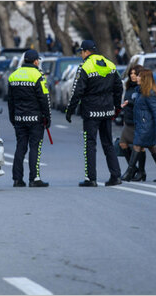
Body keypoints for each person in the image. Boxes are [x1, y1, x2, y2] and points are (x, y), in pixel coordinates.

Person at [65, 40, 123, 187]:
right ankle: (115, 176)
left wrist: (70, 111)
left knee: (90, 144)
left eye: (81, 52)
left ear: (86, 52)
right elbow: (119, 87)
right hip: (107, 110)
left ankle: (91, 178)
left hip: (91, 111)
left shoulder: (85, 67)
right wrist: (116, 107)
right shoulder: (109, 64)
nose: (81, 55)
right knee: (108, 143)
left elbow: (77, 91)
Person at [8, 49, 51, 187]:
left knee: (20, 147)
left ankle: (17, 179)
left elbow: (10, 101)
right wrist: (47, 117)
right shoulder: (38, 75)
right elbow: (44, 98)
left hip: (19, 118)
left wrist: (13, 118)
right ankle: (34, 178)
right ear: (35, 61)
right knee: (35, 148)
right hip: (34, 119)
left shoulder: (13, 76)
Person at [122, 69, 156, 182]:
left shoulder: (150, 93)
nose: (137, 78)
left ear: (145, 79)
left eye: (139, 76)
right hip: (141, 125)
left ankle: (129, 172)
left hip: (147, 126)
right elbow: (142, 106)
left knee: (137, 145)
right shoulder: (141, 92)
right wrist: (130, 103)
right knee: (152, 148)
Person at [119, 64, 146, 181]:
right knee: (122, 144)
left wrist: (129, 102)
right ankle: (133, 168)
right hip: (128, 121)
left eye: (135, 74)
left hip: (139, 121)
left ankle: (140, 171)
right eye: (131, 74)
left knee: (140, 147)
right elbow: (125, 103)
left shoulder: (142, 87)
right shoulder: (129, 87)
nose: (133, 76)